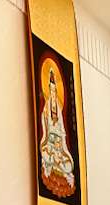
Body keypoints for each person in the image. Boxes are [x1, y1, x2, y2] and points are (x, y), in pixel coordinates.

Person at [39, 67, 76, 198]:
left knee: (68, 165)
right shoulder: (46, 107)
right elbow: (45, 125)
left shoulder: (58, 108)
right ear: (49, 90)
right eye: (52, 90)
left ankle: (61, 168)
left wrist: (60, 140)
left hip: (59, 144)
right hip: (50, 141)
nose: (53, 93)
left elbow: (63, 130)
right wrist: (50, 126)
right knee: (46, 154)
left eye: (55, 91)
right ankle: (51, 167)